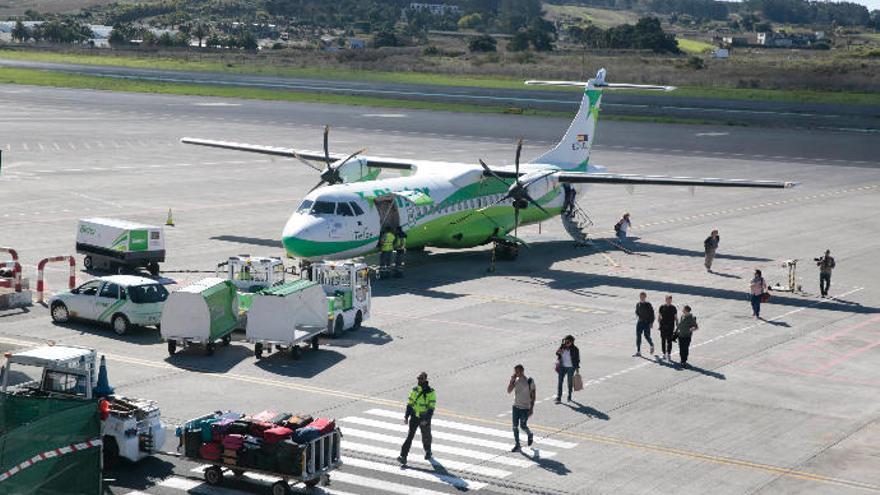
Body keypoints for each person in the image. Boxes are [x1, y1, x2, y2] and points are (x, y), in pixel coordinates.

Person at [398, 372, 436, 465]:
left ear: (425, 379)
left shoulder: (431, 392)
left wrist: (426, 420)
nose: (419, 380)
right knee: (410, 436)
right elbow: (410, 404)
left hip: (424, 417)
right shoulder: (414, 390)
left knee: (426, 436)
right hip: (414, 416)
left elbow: (431, 408)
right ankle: (403, 456)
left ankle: (428, 451)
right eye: (418, 378)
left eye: (421, 379)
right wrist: (406, 416)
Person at [506, 364, 535, 452]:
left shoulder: (529, 381)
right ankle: (517, 445)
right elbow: (509, 391)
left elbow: (533, 396)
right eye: (515, 371)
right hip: (516, 407)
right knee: (515, 427)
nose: (516, 373)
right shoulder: (515, 380)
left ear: (522, 371)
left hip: (525, 408)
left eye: (518, 371)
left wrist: (531, 409)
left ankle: (530, 434)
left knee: (523, 426)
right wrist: (512, 381)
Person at [555, 335, 580, 403]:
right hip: (562, 367)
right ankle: (559, 397)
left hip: (571, 368)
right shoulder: (562, 347)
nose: (566, 343)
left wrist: (577, 370)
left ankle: (569, 395)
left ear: (571, 342)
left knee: (569, 382)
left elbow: (577, 360)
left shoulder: (575, 349)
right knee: (560, 382)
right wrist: (560, 350)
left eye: (568, 342)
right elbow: (557, 353)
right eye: (565, 341)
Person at [634, 292, 655, 356]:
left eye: (643, 296)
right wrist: (638, 316)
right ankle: (638, 351)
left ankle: (651, 345)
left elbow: (652, 314)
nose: (642, 298)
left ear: (645, 297)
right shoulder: (638, 304)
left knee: (646, 336)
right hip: (640, 322)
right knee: (638, 336)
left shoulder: (648, 304)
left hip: (646, 323)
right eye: (641, 296)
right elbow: (636, 312)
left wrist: (651, 322)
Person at [658, 295, 678, 361]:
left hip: (670, 326)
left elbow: (675, 317)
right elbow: (659, 316)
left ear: (671, 300)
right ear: (665, 300)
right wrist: (659, 324)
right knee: (663, 340)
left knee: (669, 341)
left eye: (670, 299)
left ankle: (669, 354)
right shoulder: (662, 307)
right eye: (667, 299)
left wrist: (677, 325)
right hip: (663, 326)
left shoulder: (673, 308)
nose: (668, 300)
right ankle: (664, 354)